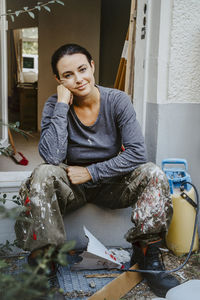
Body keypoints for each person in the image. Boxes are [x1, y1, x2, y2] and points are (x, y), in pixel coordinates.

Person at [15, 44, 179, 297]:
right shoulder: (54, 105)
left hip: (112, 186)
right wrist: (61, 104)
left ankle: (149, 258)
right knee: (44, 173)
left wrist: (91, 172)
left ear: (92, 66)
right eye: (68, 75)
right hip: (72, 188)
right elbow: (52, 157)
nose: (78, 79)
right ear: (58, 80)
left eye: (82, 69)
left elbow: (137, 153)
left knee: (153, 172)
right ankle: (44, 264)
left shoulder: (117, 101)